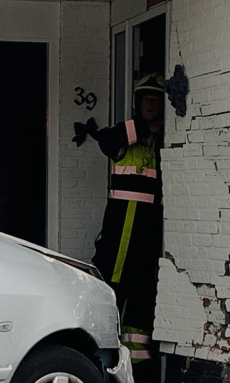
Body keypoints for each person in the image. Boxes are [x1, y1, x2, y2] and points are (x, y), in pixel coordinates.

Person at [73, 73, 165, 361]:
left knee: (143, 290)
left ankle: (136, 360)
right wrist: (144, 125)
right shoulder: (125, 134)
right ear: (137, 103)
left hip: (148, 232)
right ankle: (100, 354)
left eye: (156, 99)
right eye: (145, 99)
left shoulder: (164, 140)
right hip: (119, 232)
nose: (150, 104)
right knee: (110, 289)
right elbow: (108, 142)